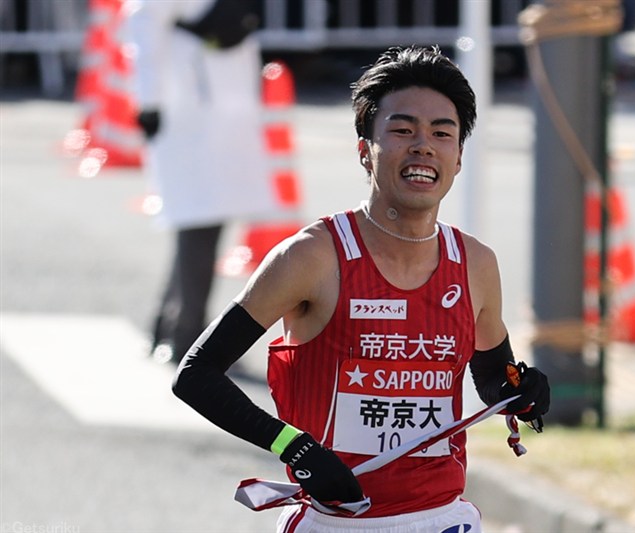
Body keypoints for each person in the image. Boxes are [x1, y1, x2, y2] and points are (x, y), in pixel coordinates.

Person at [172, 45, 550, 532]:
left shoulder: (474, 263)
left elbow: (494, 377)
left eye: (442, 133)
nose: (423, 146)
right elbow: (196, 374)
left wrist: (522, 392)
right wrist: (296, 448)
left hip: (442, 519)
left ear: (458, 159)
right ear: (364, 152)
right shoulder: (311, 257)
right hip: (340, 522)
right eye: (401, 130)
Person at [125, 0, 275, 364]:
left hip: (211, 95)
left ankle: (173, 325)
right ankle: (185, 333)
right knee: (198, 218)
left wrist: (149, 101)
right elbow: (146, 21)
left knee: (201, 218)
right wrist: (150, 101)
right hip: (193, 97)